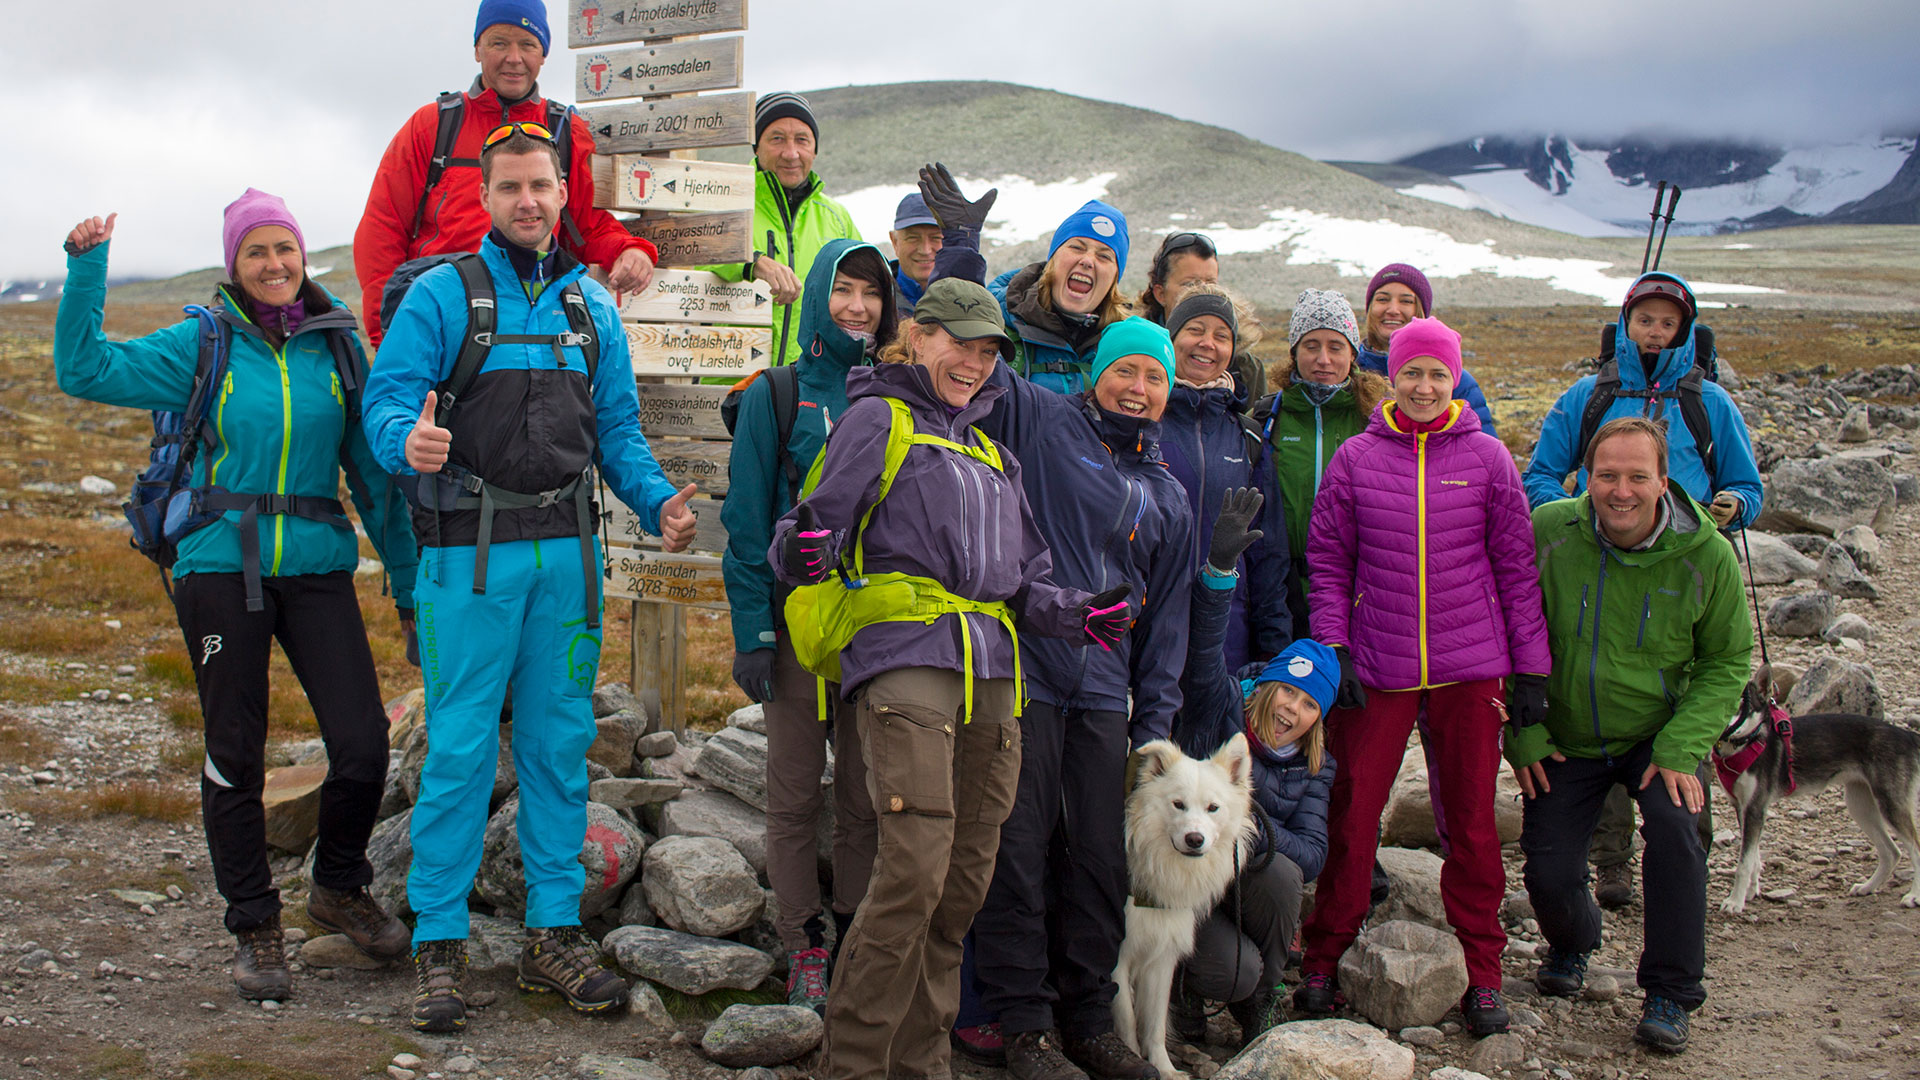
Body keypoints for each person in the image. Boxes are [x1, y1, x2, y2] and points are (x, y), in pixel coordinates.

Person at [362, 124, 699, 1033]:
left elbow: (618, 433)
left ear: (560, 190)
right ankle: (440, 940)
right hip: (465, 558)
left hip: (569, 559)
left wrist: (659, 500)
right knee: (462, 746)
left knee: (557, 744)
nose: (529, 201)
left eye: (542, 186)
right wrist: (407, 440)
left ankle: (552, 934)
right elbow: (385, 400)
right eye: (510, 186)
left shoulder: (592, 305)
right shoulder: (443, 295)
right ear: (486, 195)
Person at [55, 193, 418, 1000]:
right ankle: (255, 924)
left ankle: (338, 886)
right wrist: (86, 269)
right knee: (236, 751)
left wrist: (408, 586)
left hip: (319, 563)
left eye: (284, 248)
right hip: (221, 564)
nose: (275, 265)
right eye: (256, 252)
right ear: (234, 265)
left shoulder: (337, 349)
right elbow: (83, 370)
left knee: (362, 742)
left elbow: (376, 482)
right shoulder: (202, 342)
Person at [768, 276, 1118, 1080]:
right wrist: (804, 549)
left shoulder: (994, 450)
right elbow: (800, 532)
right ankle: (854, 1065)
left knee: (963, 884)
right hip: (907, 663)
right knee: (914, 872)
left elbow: (1024, 580)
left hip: (994, 674)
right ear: (915, 337)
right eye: (958, 340)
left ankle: (922, 1064)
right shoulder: (876, 420)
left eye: (988, 348)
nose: (974, 360)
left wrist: (1077, 613)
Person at [1296, 317, 1550, 1037]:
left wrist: (1529, 667)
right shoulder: (1355, 459)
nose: (1425, 386)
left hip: (1473, 668)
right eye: (1413, 373)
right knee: (1352, 812)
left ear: (1455, 380)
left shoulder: (1491, 459)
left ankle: (1483, 973)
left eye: (1438, 374)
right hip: (1377, 664)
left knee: (1470, 823)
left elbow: (1517, 571)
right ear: (1393, 376)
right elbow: (1328, 563)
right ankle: (1326, 957)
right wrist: (1334, 647)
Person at [965, 317, 1196, 1080]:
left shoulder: (1168, 496)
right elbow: (976, 363)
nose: (1138, 387)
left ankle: (1090, 1019)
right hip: (1027, 670)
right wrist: (962, 253)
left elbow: (1167, 624)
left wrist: (1155, 732)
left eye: (1154, 377)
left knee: (1099, 856)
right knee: (1019, 845)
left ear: (1169, 390)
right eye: (1125, 370)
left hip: (1103, 694)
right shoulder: (1044, 417)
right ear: (1095, 371)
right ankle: (1025, 1023)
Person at [1513, 416, 1752, 1055]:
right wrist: (1522, 734)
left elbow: (1728, 661)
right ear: (1585, 478)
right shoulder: (1549, 532)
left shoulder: (1707, 551)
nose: (1621, 491)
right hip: (1566, 735)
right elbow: (1504, 625)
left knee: (1677, 832)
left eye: (1637, 476)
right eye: (1606, 475)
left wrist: (1683, 746)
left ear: (1663, 481)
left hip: (1658, 733)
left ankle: (1672, 992)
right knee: (1549, 870)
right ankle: (1572, 942)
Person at [720, 238, 895, 1011]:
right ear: (819, 292)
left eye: (873, 293)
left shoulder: (895, 395)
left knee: (863, 796)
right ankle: (804, 945)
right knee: (793, 794)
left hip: (874, 634)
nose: (858, 306)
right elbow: (747, 519)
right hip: (794, 632)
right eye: (845, 289)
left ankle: (856, 931)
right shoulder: (778, 394)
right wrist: (753, 633)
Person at [353, 0, 657, 344]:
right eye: (499, 43)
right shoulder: (433, 125)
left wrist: (628, 250)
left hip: (533, 322)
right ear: (477, 49)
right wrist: (389, 337)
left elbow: (585, 226)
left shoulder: (565, 131)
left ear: (543, 55)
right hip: (441, 322)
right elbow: (382, 230)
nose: (514, 57)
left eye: (528, 44)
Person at [1171, 489, 1334, 1049]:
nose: (1292, 708)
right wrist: (1219, 572)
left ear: (1318, 718)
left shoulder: (1314, 766)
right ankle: (1190, 993)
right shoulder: (1220, 710)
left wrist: (1254, 824)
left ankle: (1261, 1003)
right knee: (1225, 972)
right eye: (1286, 690)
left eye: (1309, 703)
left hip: (1249, 893)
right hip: (1188, 886)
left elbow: (1312, 855)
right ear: (1265, 688)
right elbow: (1204, 650)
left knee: (1285, 875)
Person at [1524, 271, 1762, 527]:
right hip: (1593, 544)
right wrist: (1570, 517)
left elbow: (1747, 488)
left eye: (1668, 324)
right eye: (1645, 321)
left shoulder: (1711, 401)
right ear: (1627, 324)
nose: (1655, 333)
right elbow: (1540, 475)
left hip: (1686, 547)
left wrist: (1736, 504)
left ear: (1683, 331)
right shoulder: (1587, 395)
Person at [1157, 282, 1289, 671]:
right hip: (1148, 633)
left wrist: (1272, 651)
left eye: (1221, 335)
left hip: (1228, 639)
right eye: (1195, 329)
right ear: (1172, 337)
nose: (1207, 344)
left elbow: (1268, 554)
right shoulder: (1140, 424)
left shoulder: (1246, 437)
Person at [1251, 289, 1387, 631]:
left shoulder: (1376, 420)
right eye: (1311, 346)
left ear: (1353, 354)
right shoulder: (1267, 418)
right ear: (1294, 352)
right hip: (1279, 592)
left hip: (1359, 590)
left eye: (1335, 347)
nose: (1323, 359)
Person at [699, 92, 862, 369]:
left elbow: (865, 287)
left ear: (814, 149)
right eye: (777, 139)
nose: (791, 153)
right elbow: (694, 252)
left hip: (809, 385)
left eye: (802, 140)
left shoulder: (837, 217)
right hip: (731, 380)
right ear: (756, 147)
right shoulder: (723, 200)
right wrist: (753, 262)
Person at [988, 199, 1133, 396]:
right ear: (1052, 260)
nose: (1088, 261)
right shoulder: (997, 324)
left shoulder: (1128, 346)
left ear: (1114, 280)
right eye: (1077, 248)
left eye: (1104, 256)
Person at [1355, 264, 1497, 434]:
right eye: (1382, 299)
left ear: (1422, 310)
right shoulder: (1348, 372)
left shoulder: (1458, 383)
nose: (1393, 310)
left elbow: (1483, 451)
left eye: (1406, 301)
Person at [1137, 231, 1264, 400]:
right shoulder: (1132, 350)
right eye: (1190, 284)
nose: (1201, 292)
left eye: (1210, 283)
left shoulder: (1244, 368)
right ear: (1160, 293)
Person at [888, 191, 943, 317]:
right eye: (913, 238)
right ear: (895, 241)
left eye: (935, 238)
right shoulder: (873, 299)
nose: (925, 250)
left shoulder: (966, 299)